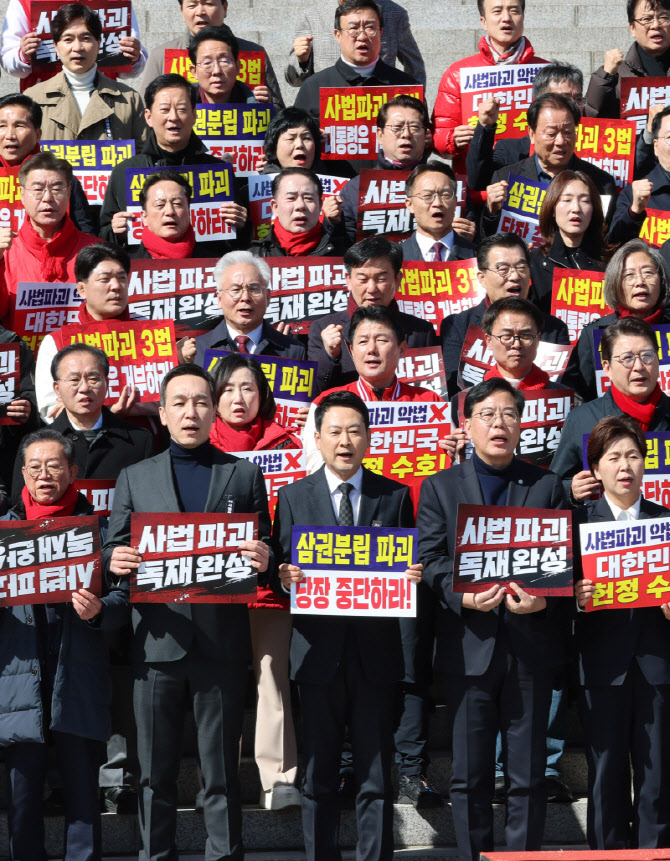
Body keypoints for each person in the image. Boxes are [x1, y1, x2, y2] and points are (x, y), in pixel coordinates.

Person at [103, 362, 272, 861]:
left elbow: (263, 553)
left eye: (201, 401)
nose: (191, 412)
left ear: (215, 407)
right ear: (165, 411)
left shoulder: (242, 473)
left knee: (219, 772)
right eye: (179, 403)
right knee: (154, 774)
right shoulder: (134, 477)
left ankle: (224, 855)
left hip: (220, 646)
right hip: (156, 644)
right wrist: (114, 559)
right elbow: (112, 552)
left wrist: (265, 559)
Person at [417, 377, 569, 861]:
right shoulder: (441, 487)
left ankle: (523, 857)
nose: (499, 424)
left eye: (509, 414)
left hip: (529, 646)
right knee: (469, 774)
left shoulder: (546, 485)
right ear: (468, 424)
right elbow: (432, 559)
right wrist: (464, 597)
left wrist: (546, 600)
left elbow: (569, 563)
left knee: (526, 774)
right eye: (487, 415)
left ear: (522, 424)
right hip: (469, 646)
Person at [272, 389, 422, 860]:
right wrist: (283, 576)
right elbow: (279, 572)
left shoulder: (394, 496)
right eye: (334, 431)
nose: (344, 440)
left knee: (375, 774)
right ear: (317, 438)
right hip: (317, 655)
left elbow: (405, 576)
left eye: (355, 431)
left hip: (375, 656)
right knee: (318, 774)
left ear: (369, 439)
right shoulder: (294, 497)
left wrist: (411, 575)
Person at [0, 427, 129, 861]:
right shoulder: (5, 534)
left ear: (74, 471)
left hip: (78, 678)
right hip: (19, 684)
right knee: (22, 802)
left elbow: (123, 599)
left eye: (55, 465)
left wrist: (98, 611)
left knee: (82, 800)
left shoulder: (101, 530)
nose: (44, 474)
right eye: (34, 467)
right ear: (22, 474)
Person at [208, 353, 301, 810]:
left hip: (272, 584)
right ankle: (219, 780)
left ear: (263, 394)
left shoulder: (289, 444)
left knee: (272, 679)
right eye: (226, 389)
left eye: (247, 388)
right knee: (219, 684)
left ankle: (279, 780)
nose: (238, 398)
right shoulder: (196, 447)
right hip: (213, 589)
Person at [574, 415, 670, 849]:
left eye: (633, 455)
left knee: (657, 775)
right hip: (600, 666)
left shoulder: (665, 521)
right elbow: (554, 602)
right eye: (613, 457)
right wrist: (576, 596)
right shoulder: (577, 525)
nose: (624, 465)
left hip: (656, 663)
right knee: (605, 774)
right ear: (596, 469)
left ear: (645, 464)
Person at [98, 74, 247, 245]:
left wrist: (241, 224)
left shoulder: (217, 170)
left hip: (204, 269)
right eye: (165, 109)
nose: (173, 117)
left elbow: (239, 242)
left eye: (182, 109)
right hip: (147, 269)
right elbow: (103, 236)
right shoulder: (124, 171)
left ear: (194, 115)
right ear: (148, 117)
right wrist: (115, 232)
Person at [552, 316, 670, 502]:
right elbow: (552, 486)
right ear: (607, 367)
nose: (639, 367)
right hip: (607, 528)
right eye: (627, 359)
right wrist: (571, 491)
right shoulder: (582, 419)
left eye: (647, 356)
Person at [34, 243, 157, 423]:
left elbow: (163, 399)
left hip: (146, 441)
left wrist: (83, 408)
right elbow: (50, 409)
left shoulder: (151, 332)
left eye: (122, 278)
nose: (116, 286)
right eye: (105, 279)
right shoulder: (57, 341)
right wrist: (103, 415)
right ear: (82, 289)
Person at [440, 233, 570, 398]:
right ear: (482, 278)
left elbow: (564, 390)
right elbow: (452, 391)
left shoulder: (554, 328)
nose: (515, 276)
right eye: (503, 269)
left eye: (521, 268)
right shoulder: (458, 324)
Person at [307, 236, 436, 393]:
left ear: (397, 280)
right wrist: (330, 357)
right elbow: (312, 393)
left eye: (381, 278)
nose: (372, 288)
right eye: (362, 279)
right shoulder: (323, 329)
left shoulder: (421, 332)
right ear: (348, 280)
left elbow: (432, 393)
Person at [432, 0, 547, 176]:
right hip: (477, 186)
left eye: (514, 11)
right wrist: (452, 139)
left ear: (523, 17)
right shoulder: (458, 74)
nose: (506, 18)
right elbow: (439, 134)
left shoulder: (546, 73)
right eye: (497, 11)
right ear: (483, 22)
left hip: (533, 184)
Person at [482, 93, 618, 236]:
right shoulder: (506, 178)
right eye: (551, 133)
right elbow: (488, 241)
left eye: (568, 132)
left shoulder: (600, 182)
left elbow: (606, 239)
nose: (561, 141)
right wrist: (492, 213)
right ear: (532, 134)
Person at [23, 3, 147, 149]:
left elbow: (142, 158)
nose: (77, 48)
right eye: (68, 39)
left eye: (86, 38)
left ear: (99, 42)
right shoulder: (33, 98)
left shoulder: (129, 99)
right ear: (55, 46)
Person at [0, 150, 99, 330]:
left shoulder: (97, 252)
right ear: (22, 194)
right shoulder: (5, 252)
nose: (47, 198)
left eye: (56, 189)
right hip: (24, 356)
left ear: (69, 193)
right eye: (37, 189)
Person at [561, 239, 670, 403]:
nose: (640, 282)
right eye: (629, 275)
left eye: (648, 273)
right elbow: (579, 394)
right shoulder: (594, 334)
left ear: (661, 280)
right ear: (615, 283)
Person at [466, 62, 590, 192]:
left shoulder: (597, 151)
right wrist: (485, 127)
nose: (573, 106)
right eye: (563, 99)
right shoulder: (512, 151)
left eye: (578, 99)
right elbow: (478, 181)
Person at [293, 0, 420, 125]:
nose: (362, 36)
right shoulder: (312, 87)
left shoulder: (406, 87)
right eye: (353, 28)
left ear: (380, 33)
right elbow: (295, 133)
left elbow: (415, 65)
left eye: (370, 28)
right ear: (338, 35)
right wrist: (313, 136)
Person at [139, 0, 283, 108]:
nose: (200, 12)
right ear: (182, 11)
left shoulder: (254, 53)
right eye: (192, 5)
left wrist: (268, 105)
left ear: (225, 8)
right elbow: (144, 111)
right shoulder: (161, 55)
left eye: (208, 3)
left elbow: (280, 113)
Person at [339, 95, 439, 244]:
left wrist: (463, 239)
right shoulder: (355, 189)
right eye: (397, 128)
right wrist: (331, 223)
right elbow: (344, 247)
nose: (406, 134)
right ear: (380, 135)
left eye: (414, 128)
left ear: (426, 135)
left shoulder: (446, 184)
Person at [0, 92, 95, 233]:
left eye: (19, 126)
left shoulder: (59, 177)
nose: (10, 135)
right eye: (2, 126)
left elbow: (84, 229)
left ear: (38, 134)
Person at [193, 250, 307, 367]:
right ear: (219, 298)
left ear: (268, 297)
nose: (245, 298)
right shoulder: (198, 350)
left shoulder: (293, 351)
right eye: (235, 290)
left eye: (254, 289)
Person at [285, 0, 425, 88]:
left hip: (379, 109)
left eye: (370, 28)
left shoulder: (394, 13)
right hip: (330, 111)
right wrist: (302, 61)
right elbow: (294, 81)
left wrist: (415, 109)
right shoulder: (311, 16)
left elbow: (415, 69)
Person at [0, 0, 147, 81]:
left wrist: (134, 57)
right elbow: (9, 62)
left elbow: (129, 71)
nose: (77, 47)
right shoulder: (25, 2)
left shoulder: (115, 2)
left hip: (102, 97)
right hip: (45, 103)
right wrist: (23, 55)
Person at [529, 169, 609, 314]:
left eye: (585, 201)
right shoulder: (534, 263)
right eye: (567, 200)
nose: (576, 208)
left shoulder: (609, 262)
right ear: (552, 209)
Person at [586, 0, 670, 118]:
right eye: (647, 19)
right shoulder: (617, 74)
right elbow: (592, 119)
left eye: (663, 17)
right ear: (632, 28)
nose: (656, 25)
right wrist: (605, 76)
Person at [130, 169, 236, 260]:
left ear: (189, 212)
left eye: (177, 204)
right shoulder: (128, 266)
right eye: (160, 204)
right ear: (144, 217)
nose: (170, 211)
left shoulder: (213, 264)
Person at [608, 105, 670, 246]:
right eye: (669, 137)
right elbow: (612, 246)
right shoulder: (633, 195)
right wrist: (635, 212)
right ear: (656, 146)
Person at [251, 168, 348, 257]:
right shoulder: (254, 258)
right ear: (275, 207)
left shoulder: (342, 257)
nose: (300, 205)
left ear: (320, 205)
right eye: (291, 198)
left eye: (308, 198)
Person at [400, 162, 477, 262]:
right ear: (410, 205)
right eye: (427, 195)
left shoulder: (478, 258)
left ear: (455, 201)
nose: (437, 203)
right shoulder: (395, 259)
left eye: (445, 195)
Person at [188, 25, 267, 104]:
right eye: (207, 63)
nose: (217, 71)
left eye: (224, 61)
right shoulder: (182, 106)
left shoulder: (257, 108)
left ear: (237, 67)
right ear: (194, 71)